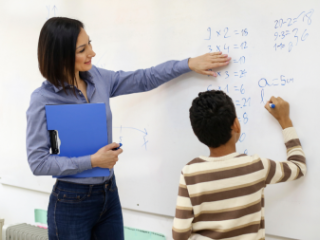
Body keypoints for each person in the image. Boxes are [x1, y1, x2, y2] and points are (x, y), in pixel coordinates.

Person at [26, 17, 231, 240]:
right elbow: (38, 162)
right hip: (70, 201)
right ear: (61, 55)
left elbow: (144, 78)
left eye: (90, 44)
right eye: (83, 49)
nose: (92, 53)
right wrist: (93, 161)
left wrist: (188, 64)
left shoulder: (97, 78)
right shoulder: (43, 99)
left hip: (108, 193)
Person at [172, 90, 306, 240]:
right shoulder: (256, 167)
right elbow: (299, 167)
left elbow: (179, 234)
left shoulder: (190, 173)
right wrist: (285, 120)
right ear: (236, 125)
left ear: (197, 134)